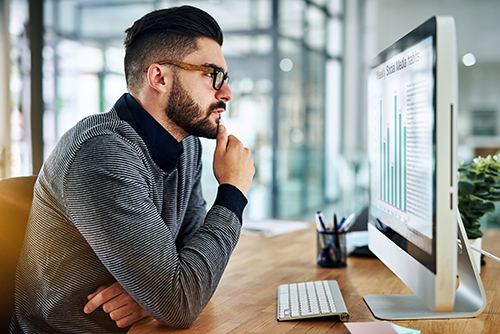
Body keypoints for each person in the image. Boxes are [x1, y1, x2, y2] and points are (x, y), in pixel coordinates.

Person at [10, 5, 255, 333]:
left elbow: (189, 267)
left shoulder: (187, 146)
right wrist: (232, 194)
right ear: (160, 77)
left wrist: (149, 296)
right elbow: (181, 302)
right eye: (213, 75)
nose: (226, 93)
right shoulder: (100, 154)